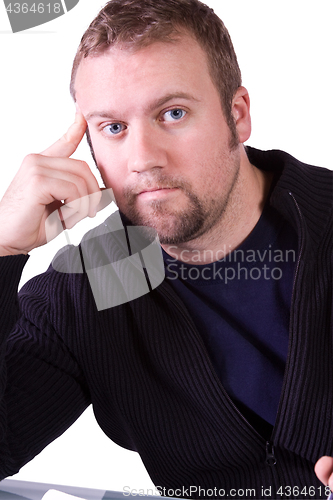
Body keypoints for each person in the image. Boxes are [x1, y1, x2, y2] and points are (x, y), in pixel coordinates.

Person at [0, 0, 332, 498]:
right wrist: (2, 248)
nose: (143, 160)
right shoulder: (90, 292)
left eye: (172, 113)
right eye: (113, 128)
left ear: (236, 116)